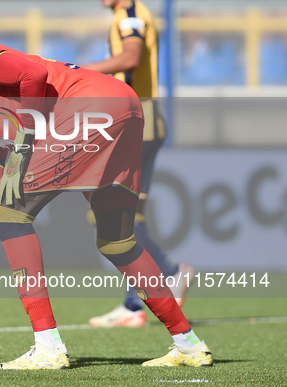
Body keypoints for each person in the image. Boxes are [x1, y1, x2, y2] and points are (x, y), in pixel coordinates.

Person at [0, 29, 212, 369]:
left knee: (13, 213)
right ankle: (189, 345)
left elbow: (32, 74)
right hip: (124, 107)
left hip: (92, 106)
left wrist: (24, 137)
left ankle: (48, 347)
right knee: (117, 242)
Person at [81, 0, 194, 328]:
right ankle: (137, 303)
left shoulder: (131, 16)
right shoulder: (125, 15)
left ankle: (166, 275)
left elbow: (131, 57)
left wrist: (82, 72)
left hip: (137, 127)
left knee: (113, 214)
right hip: (133, 126)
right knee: (120, 216)